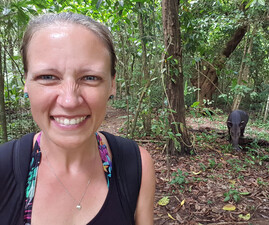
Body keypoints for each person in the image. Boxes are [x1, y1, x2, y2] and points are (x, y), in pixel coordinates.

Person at [0, 12, 155, 225]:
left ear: (112, 85)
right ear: (26, 82)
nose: (69, 101)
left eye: (90, 78)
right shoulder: (3, 167)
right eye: (47, 77)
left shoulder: (137, 165)